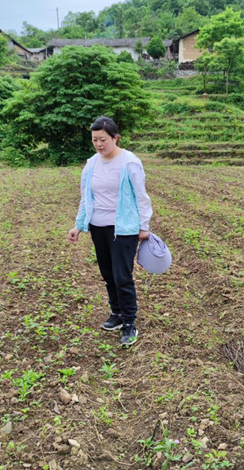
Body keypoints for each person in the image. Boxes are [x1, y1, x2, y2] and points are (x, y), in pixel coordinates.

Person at [68, 116, 152, 347]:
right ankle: (116, 314)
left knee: (122, 276)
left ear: (116, 138)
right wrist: (79, 225)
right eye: (94, 140)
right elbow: (86, 197)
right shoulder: (91, 163)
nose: (98, 144)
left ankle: (129, 322)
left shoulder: (129, 162)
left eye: (103, 139)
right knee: (107, 273)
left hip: (123, 228)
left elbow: (141, 197)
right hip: (98, 226)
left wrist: (144, 227)